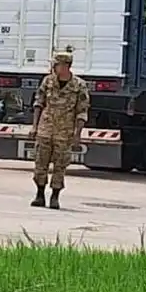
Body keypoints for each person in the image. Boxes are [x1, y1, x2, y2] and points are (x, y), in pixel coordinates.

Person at [31, 51, 89, 209]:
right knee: (40, 162)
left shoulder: (79, 85)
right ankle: (40, 194)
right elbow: (39, 103)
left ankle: (55, 196)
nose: (54, 67)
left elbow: (82, 111)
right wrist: (35, 126)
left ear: (65, 66)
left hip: (65, 130)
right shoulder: (48, 81)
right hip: (46, 127)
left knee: (60, 164)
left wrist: (78, 134)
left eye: (56, 64)